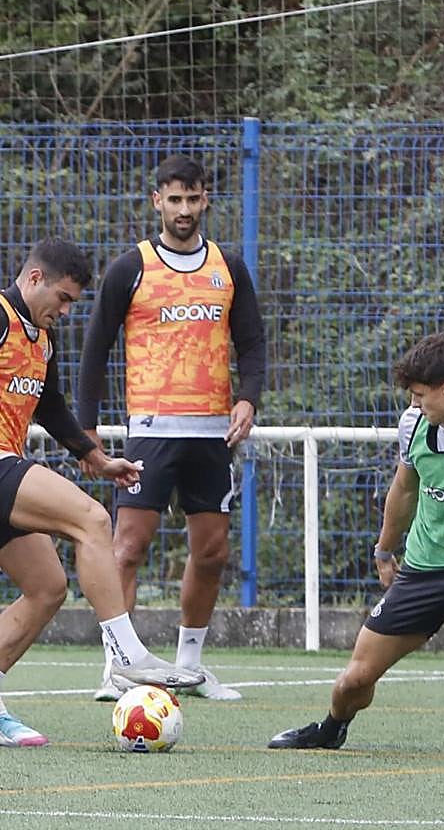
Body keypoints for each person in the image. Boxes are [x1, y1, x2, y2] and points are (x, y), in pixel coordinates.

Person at [0, 236, 205, 746]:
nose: (65, 310)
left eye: (72, 303)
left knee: (47, 588)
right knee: (93, 520)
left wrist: (96, 459)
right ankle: (127, 656)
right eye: (62, 298)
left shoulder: (40, 338)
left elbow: (52, 406)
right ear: (34, 279)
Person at [268, 332, 444, 763]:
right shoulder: (415, 424)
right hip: (425, 571)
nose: (415, 404)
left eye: (421, 395)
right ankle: (332, 727)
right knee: (353, 681)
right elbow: (404, 490)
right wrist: (385, 549)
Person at [76, 155, 267, 702]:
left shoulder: (228, 267)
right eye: (174, 199)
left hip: (212, 435)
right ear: (157, 201)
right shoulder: (129, 268)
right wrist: (87, 430)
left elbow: (251, 342)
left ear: (206, 200)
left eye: (194, 198)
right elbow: (95, 351)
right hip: (152, 430)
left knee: (212, 552)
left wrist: (248, 399)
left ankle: (190, 665)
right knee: (127, 547)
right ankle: (118, 668)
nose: (184, 209)